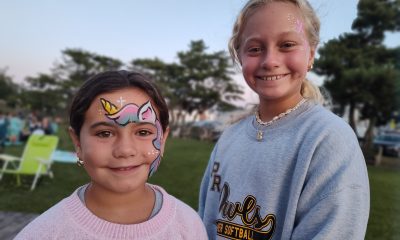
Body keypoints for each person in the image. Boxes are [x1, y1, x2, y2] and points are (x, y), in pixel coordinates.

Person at [198, 1, 370, 239]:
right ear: (240, 56)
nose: (270, 60)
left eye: (287, 45)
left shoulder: (329, 139)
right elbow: (203, 223)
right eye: (255, 49)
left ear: (311, 53)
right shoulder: (229, 138)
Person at [15, 70, 208, 240]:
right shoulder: (44, 233)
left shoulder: (189, 226)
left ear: (162, 140)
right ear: (77, 143)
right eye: (104, 133)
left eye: (143, 132)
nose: (125, 150)